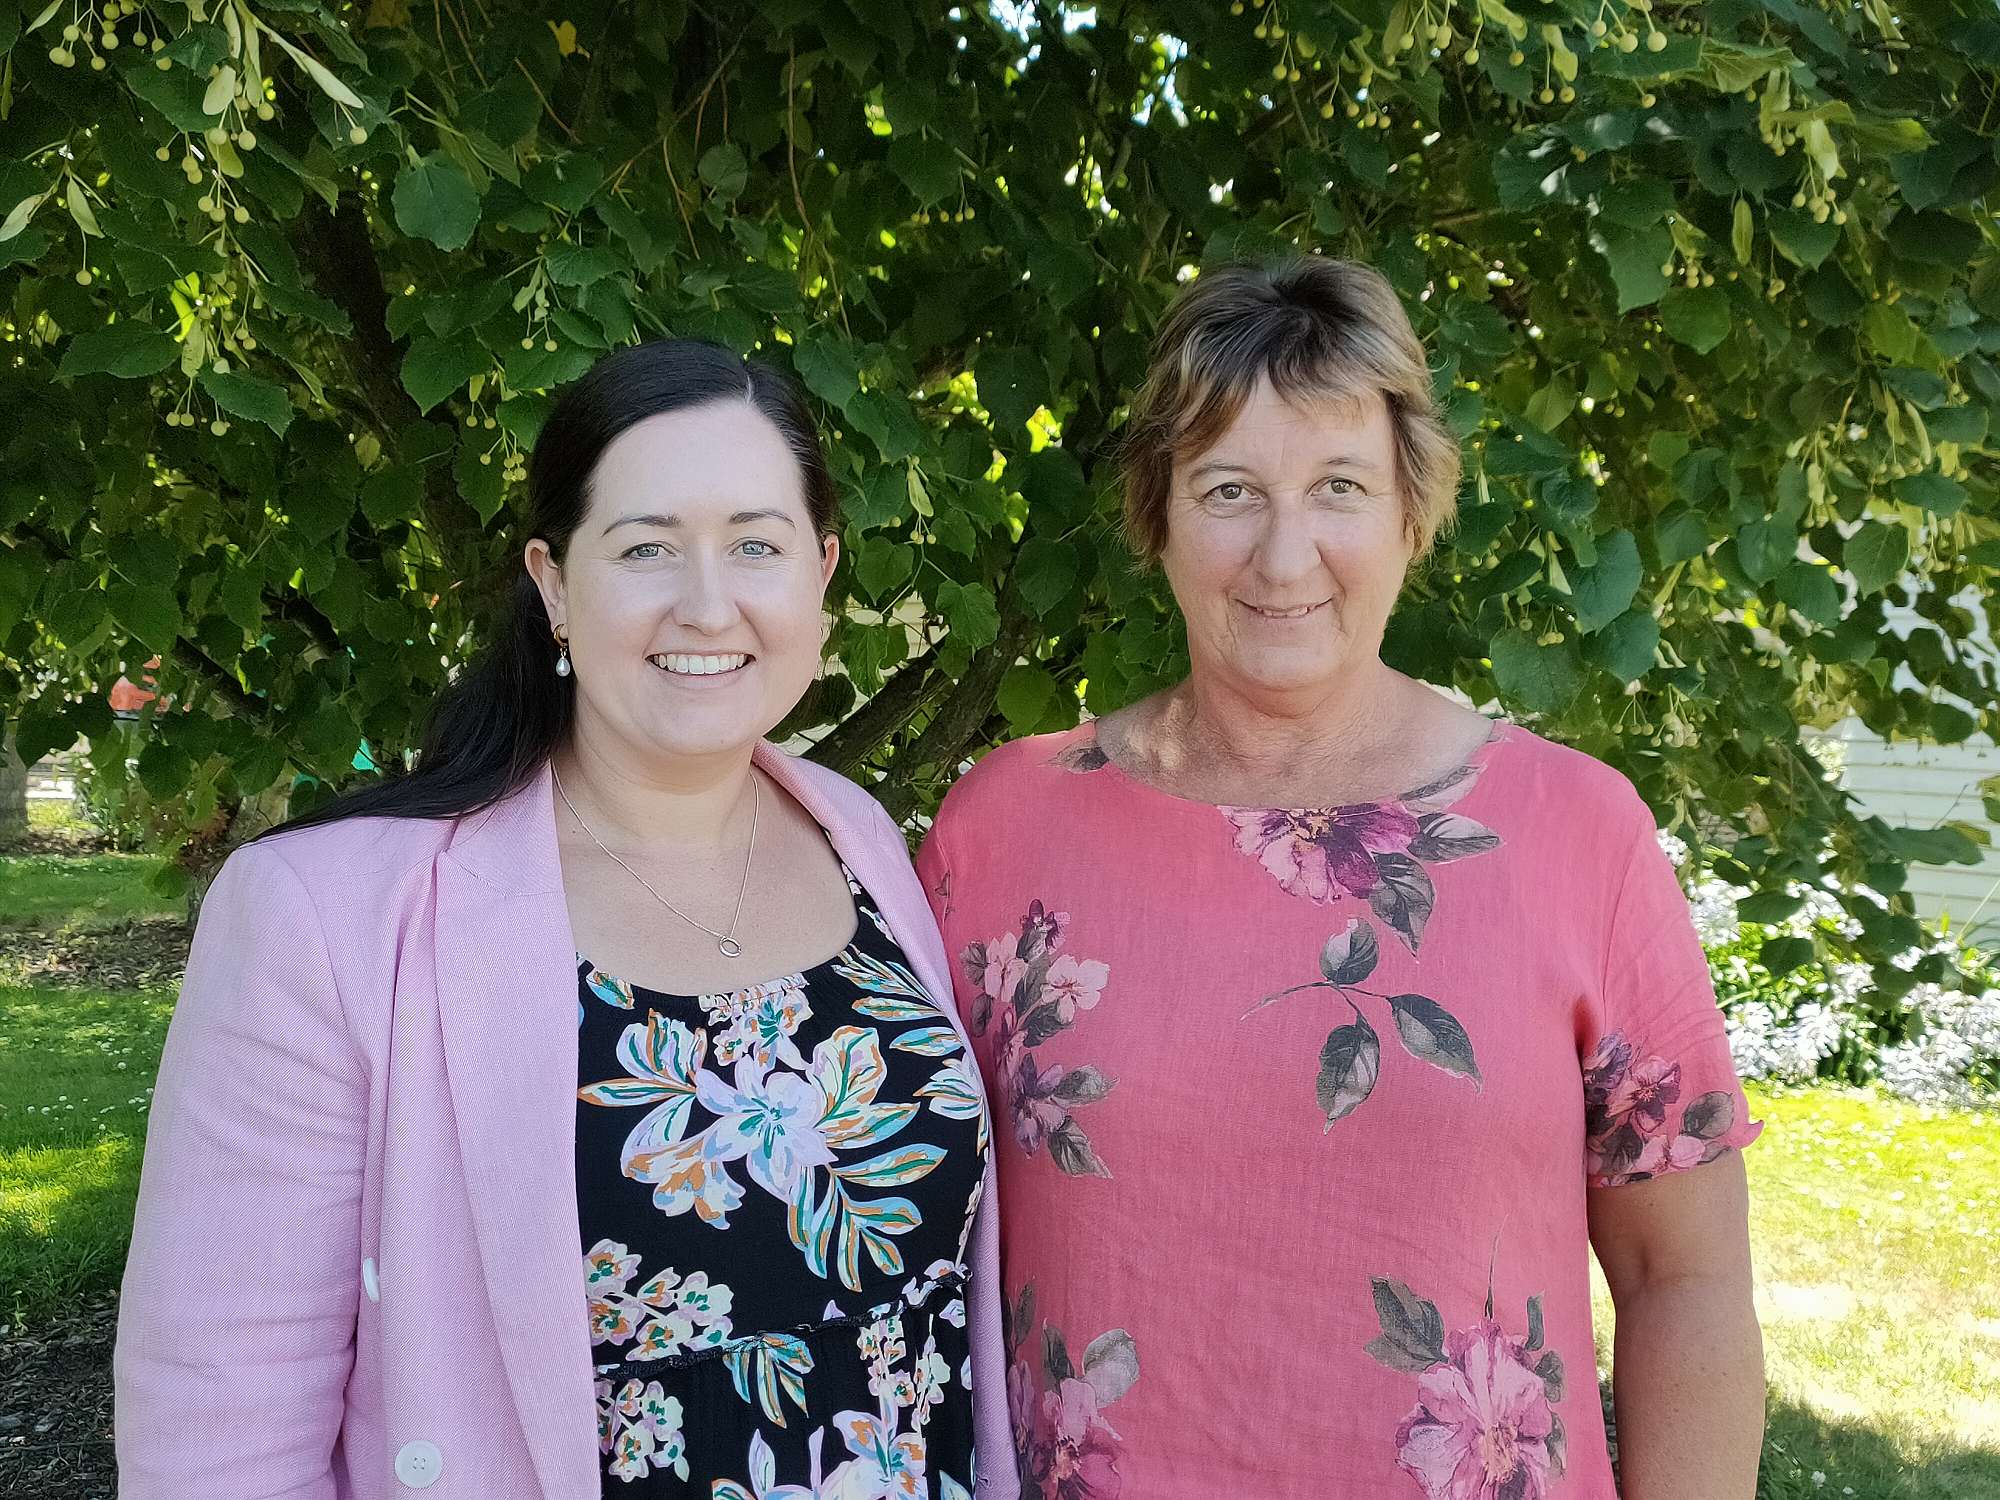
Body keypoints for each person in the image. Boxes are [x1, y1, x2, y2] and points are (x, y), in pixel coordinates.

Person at [916, 258, 1764, 1500]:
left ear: (1412, 508)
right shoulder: (1004, 829)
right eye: (1227, 490)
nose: (1284, 554)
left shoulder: (1576, 834)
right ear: (1155, 513)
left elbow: (1677, 1279)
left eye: (1338, 487)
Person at [115, 339, 1010, 1499]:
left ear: (821, 571)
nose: (708, 603)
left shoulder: (862, 839)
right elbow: (219, 1433)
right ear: (552, 584)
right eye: (645, 548)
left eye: (756, 544)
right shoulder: (324, 916)